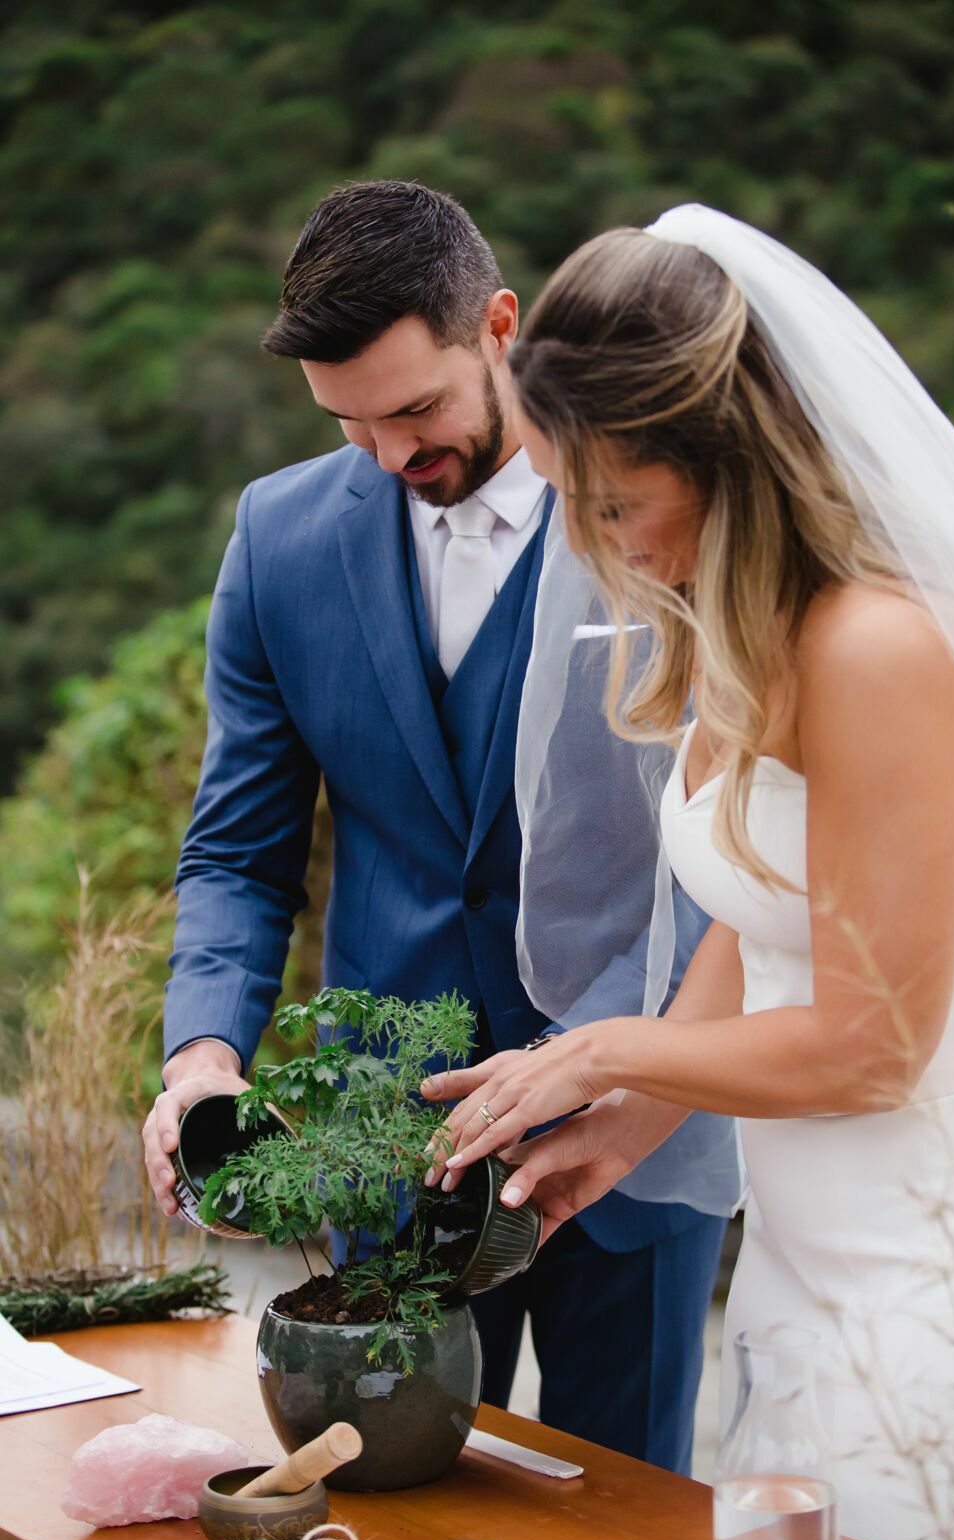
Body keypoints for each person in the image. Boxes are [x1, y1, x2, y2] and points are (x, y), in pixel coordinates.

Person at [423, 206, 954, 1540]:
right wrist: (641, 1114)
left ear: (727, 456)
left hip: (951, 1235)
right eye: (566, 503)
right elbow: (758, 903)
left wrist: (600, 1047)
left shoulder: (879, 648)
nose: (597, 551)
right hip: (809, 1225)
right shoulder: (730, 625)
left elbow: (875, 1039)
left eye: (616, 504)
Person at [139, 181, 732, 1474]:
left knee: (622, 1522)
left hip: (632, 1124)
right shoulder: (278, 541)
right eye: (347, 423)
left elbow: (735, 838)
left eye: (415, 409)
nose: (389, 453)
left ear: (502, 327)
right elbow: (238, 850)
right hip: (383, 1139)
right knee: (386, 1505)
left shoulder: (666, 514)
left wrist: (661, 1081)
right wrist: (201, 1060)